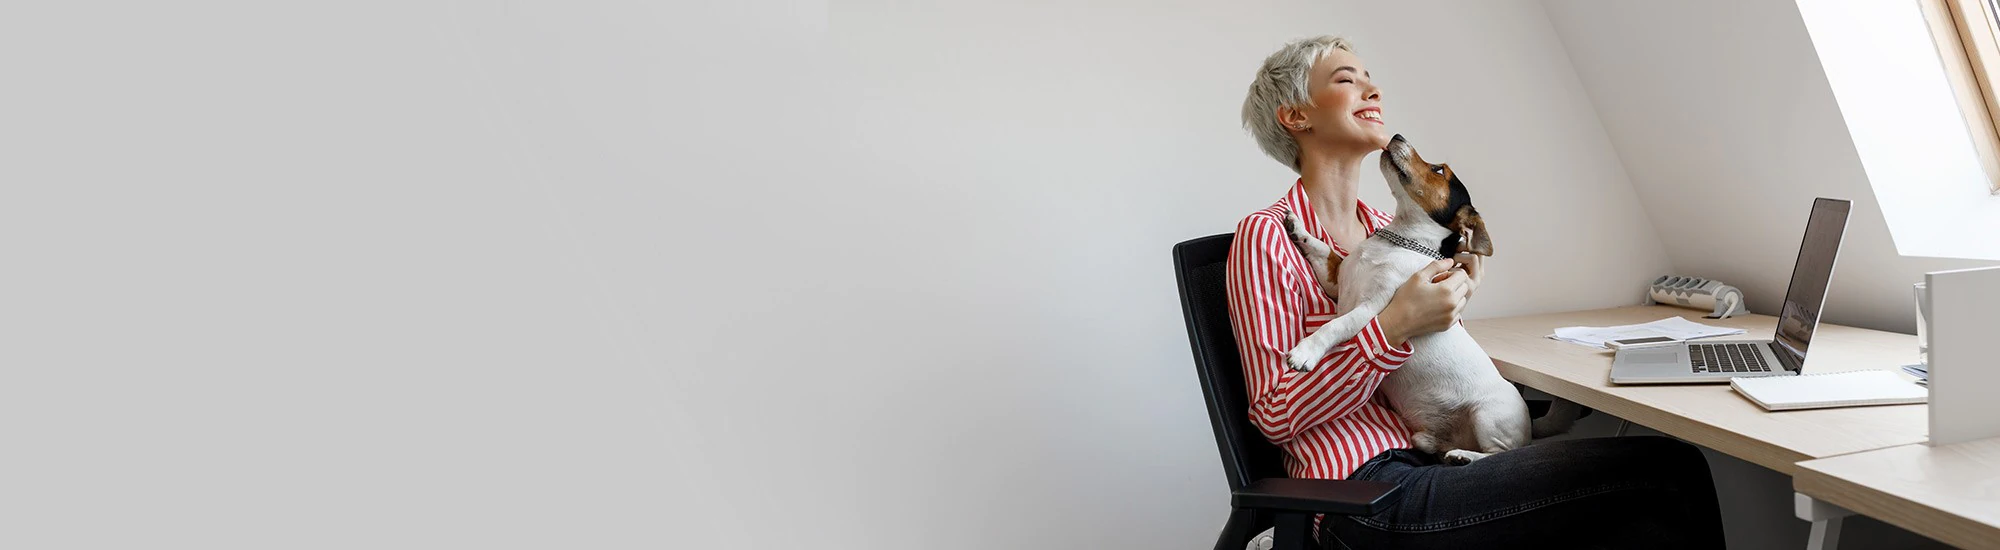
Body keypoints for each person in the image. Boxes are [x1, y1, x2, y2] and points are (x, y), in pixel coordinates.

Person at [1227, 36, 1727, 549]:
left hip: (1436, 458)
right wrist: (1394, 326)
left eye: (1370, 77)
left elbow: (1434, 358)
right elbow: (1275, 414)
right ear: (1296, 117)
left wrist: (1452, 302)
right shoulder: (1266, 237)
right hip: (1364, 491)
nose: (1373, 89)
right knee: (1668, 472)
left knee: (1642, 504)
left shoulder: (1386, 227)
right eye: (1347, 79)